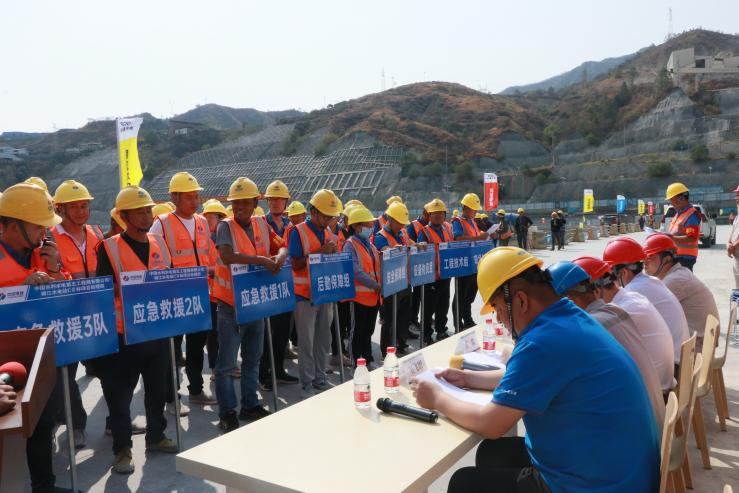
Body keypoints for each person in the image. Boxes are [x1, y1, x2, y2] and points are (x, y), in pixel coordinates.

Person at [411, 247, 660, 493]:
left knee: (464, 483)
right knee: (493, 452)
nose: (499, 320)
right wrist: (468, 378)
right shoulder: (569, 317)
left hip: (597, 485)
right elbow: (532, 379)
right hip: (621, 472)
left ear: (521, 300)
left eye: (497, 309)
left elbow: (490, 424)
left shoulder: (542, 341)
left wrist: (437, 398)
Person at [0, 182, 78, 492]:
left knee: (43, 422)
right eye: (37, 226)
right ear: (12, 225)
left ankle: (44, 485)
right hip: (7, 364)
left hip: (42, 356)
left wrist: (55, 268)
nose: (44, 231)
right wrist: (20, 290)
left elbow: (68, 297)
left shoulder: (42, 253)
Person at [96, 186, 178, 474]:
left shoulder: (159, 243)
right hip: (125, 335)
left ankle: (156, 436)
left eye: (148, 210)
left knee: (157, 389)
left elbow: (170, 279)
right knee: (120, 397)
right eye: (140, 212)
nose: (146, 215)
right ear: (124, 216)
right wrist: (134, 286)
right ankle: (122, 450)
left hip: (156, 331)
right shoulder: (109, 247)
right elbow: (104, 289)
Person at [547, 261, 665, 425]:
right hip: (654, 417)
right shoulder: (616, 311)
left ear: (569, 300)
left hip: (640, 427)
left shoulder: (588, 328)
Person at [212, 177, 287, 431]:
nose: (239, 207)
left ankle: (250, 404)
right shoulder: (225, 226)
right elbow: (226, 255)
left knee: (253, 358)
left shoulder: (262, 225)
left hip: (255, 303)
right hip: (231, 306)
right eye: (236, 203)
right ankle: (227, 412)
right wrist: (262, 261)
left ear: (256, 203)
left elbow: (282, 246)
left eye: (245, 202)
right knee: (226, 365)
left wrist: (279, 257)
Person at [150, 171, 216, 412]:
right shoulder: (161, 223)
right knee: (173, 350)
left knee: (197, 347)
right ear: (174, 197)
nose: (194, 201)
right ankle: (171, 397)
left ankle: (196, 390)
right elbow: (154, 261)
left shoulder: (201, 222)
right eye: (189, 197)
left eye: (196, 196)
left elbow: (210, 255)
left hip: (200, 295)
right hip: (173, 297)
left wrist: (213, 271)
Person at [49, 179, 105, 449]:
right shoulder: (49, 238)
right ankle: (76, 426)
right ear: (60, 209)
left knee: (114, 373)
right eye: (75, 207)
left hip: (98, 316)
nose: (81, 212)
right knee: (65, 378)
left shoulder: (96, 234)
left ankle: (117, 420)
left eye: (84, 206)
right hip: (67, 318)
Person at [573, 256, 675, 392]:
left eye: (573, 299)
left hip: (658, 390)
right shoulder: (632, 297)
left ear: (596, 291)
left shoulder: (619, 312)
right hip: (662, 383)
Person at [603, 237, 689, 370]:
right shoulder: (650, 282)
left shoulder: (632, 291)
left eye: (611, 277)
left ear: (624, 272)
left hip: (675, 367)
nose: (611, 283)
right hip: (679, 360)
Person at [288, 189, 340, 399]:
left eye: (331, 217)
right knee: (307, 342)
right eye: (325, 216)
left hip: (325, 294)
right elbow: (295, 263)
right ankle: (307, 383)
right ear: (313, 212)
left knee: (323, 340)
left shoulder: (329, 233)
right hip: (304, 296)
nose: (328, 221)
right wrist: (320, 252)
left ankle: (320, 378)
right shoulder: (298, 232)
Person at [643, 233, 719, 351]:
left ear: (667, 259)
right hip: (702, 339)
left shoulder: (675, 280)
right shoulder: (677, 274)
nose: (645, 263)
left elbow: (647, 312)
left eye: (650, 257)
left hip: (698, 346)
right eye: (643, 258)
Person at [258, 180, 299, 390]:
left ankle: (279, 370)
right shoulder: (260, 224)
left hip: (287, 285)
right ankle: (264, 374)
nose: (275, 203)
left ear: (286, 202)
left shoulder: (291, 227)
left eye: (279, 199)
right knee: (267, 333)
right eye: (271, 199)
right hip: (267, 284)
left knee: (283, 331)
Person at [373, 201, 414, 356]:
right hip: (390, 283)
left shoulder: (402, 233)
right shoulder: (380, 236)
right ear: (390, 219)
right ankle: (387, 351)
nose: (402, 226)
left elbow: (411, 244)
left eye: (403, 223)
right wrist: (392, 249)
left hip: (405, 280)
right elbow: (383, 250)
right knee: (390, 319)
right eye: (399, 222)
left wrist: (418, 246)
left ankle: (401, 344)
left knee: (404, 315)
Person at [342, 206, 381, 366]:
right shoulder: (350, 244)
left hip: (373, 296)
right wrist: (375, 285)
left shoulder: (369, 244)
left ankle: (368, 358)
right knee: (357, 331)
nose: (371, 227)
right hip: (359, 297)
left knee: (368, 331)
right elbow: (355, 270)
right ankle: (356, 361)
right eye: (367, 224)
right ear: (357, 226)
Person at [416, 198, 453, 345]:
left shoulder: (446, 230)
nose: (438, 216)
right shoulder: (424, 233)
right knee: (428, 308)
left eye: (441, 213)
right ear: (429, 215)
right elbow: (419, 255)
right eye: (434, 213)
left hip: (445, 275)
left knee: (443, 305)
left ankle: (441, 330)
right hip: (430, 278)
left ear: (444, 215)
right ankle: (426, 335)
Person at [451, 193, 489, 331]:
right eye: (474, 209)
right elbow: (458, 238)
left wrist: (484, 236)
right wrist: (478, 238)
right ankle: (458, 324)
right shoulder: (457, 222)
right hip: (464, 264)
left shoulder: (472, 221)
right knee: (461, 295)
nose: (476, 211)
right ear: (465, 208)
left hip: (474, 264)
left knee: (469, 296)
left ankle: (467, 320)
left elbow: (476, 237)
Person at [201, 198, 229, 378]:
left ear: (220, 219)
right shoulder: (203, 240)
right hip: (211, 294)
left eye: (212, 217)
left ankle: (226, 365)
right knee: (213, 334)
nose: (209, 220)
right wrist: (213, 270)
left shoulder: (225, 239)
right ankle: (215, 368)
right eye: (207, 217)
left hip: (225, 294)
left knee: (226, 333)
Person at [665, 182, 701, 271]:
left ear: (681, 198)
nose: (671, 203)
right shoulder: (679, 214)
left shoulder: (691, 215)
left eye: (672, 200)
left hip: (685, 258)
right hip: (677, 256)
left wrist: (671, 238)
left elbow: (692, 238)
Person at [406, 206, 430, 334]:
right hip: (415, 265)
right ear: (425, 213)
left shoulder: (432, 225)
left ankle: (422, 318)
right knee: (416, 295)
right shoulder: (413, 225)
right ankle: (412, 319)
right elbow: (408, 243)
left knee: (424, 294)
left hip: (426, 265)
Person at [728, 185, 739, 288]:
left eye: (738, 195)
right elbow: (732, 233)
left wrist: (733, 247)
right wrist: (728, 245)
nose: (736, 198)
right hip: (736, 257)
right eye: (736, 195)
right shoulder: (737, 217)